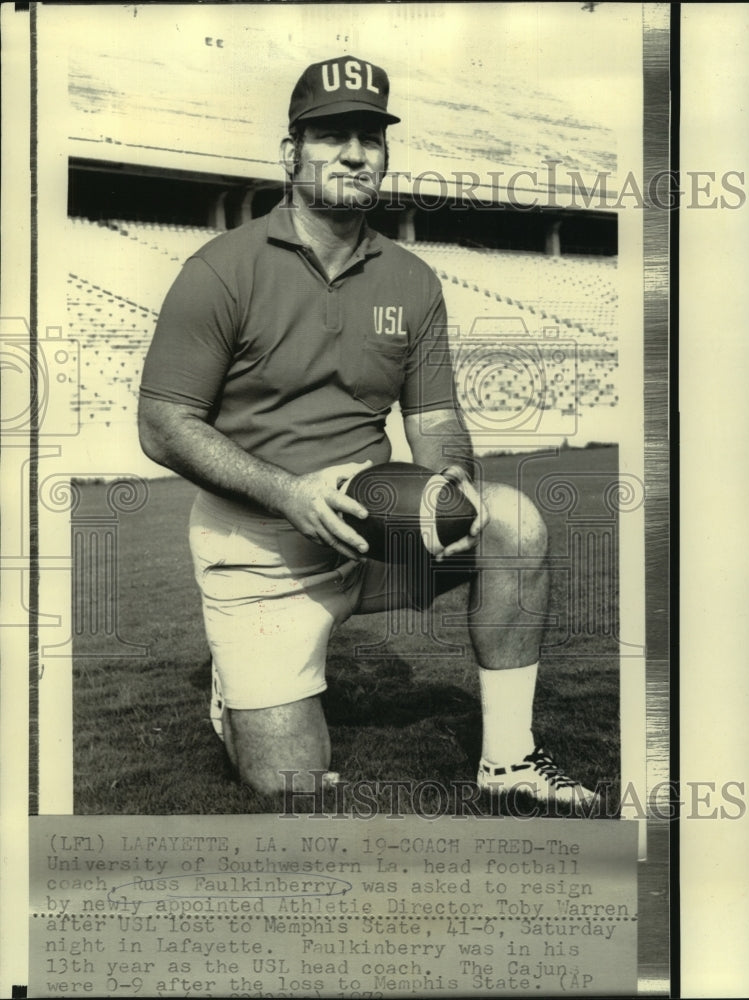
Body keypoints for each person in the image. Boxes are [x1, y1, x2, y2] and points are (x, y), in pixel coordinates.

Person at [138, 54, 594, 808]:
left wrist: (450, 484)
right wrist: (288, 494)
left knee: (512, 522)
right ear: (291, 153)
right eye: (331, 135)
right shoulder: (221, 269)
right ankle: (236, 686)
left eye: (370, 138)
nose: (354, 153)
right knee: (290, 785)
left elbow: (435, 418)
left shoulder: (411, 277)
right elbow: (162, 424)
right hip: (263, 547)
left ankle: (508, 759)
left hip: (378, 527)